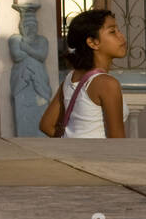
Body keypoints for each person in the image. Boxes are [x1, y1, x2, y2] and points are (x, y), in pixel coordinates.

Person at [38, 9, 129, 138]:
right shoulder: (107, 84)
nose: (121, 36)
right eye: (112, 31)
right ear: (92, 42)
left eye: (118, 30)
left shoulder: (71, 78)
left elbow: (46, 126)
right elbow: (117, 140)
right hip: (97, 157)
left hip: (75, 156)